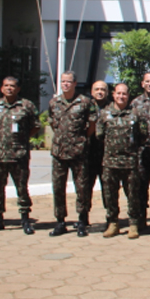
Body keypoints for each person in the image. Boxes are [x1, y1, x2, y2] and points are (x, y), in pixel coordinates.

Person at [0, 77, 40, 234]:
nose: (9, 88)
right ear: (1, 88)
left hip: (19, 155)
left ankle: (25, 219)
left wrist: (22, 138)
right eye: (6, 86)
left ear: (18, 89)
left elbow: (35, 126)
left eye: (12, 86)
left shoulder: (26, 106)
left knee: (22, 188)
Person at [47, 71, 97, 237]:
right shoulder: (54, 103)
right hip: (59, 152)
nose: (65, 84)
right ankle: (60, 221)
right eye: (63, 82)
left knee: (82, 188)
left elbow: (91, 125)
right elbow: (54, 124)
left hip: (78, 152)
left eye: (69, 82)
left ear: (75, 83)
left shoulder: (84, 102)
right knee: (58, 188)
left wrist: (81, 140)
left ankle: (82, 221)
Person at [96, 83, 147, 239]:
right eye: (118, 93)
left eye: (124, 94)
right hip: (110, 162)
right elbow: (99, 135)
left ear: (128, 95)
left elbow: (143, 135)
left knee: (133, 195)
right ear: (113, 94)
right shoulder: (105, 114)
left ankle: (133, 224)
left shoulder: (135, 114)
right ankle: (113, 223)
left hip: (130, 162)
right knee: (110, 194)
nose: (121, 96)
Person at [131, 72, 150, 229]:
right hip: (142, 151)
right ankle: (140, 219)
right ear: (142, 83)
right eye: (147, 81)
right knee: (140, 186)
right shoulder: (135, 103)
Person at [88, 81, 109, 211]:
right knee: (85, 187)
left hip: (106, 154)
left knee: (108, 188)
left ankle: (110, 217)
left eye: (103, 89)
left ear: (107, 93)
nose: (99, 92)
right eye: (97, 89)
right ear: (92, 91)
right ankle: (83, 219)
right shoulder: (84, 106)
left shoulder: (113, 108)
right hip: (88, 153)